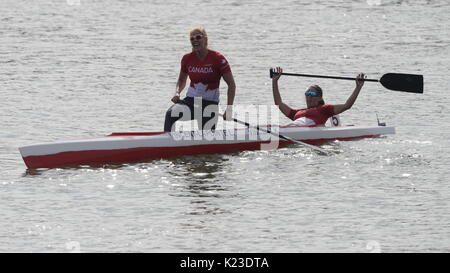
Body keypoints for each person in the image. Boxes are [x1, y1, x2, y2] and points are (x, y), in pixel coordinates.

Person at [164, 28, 236, 132]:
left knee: (206, 138)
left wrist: (229, 109)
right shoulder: (187, 58)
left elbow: (231, 85)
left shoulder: (218, 59)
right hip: (190, 102)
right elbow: (181, 80)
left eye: (198, 37)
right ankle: (168, 143)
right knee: (170, 114)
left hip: (209, 105)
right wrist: (177, 93)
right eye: (192, 39)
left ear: (205, 39)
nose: (195, 40)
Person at [271, 67, 366, 126]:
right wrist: (275, 81)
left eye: (312, 94)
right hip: (292, 128)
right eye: (307, 94)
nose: (309, 97)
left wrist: (358, 87)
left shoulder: (324, 109)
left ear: (320, 98)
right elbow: (278, 103)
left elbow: (347, 105)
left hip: (303, 130)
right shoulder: (296, 112)